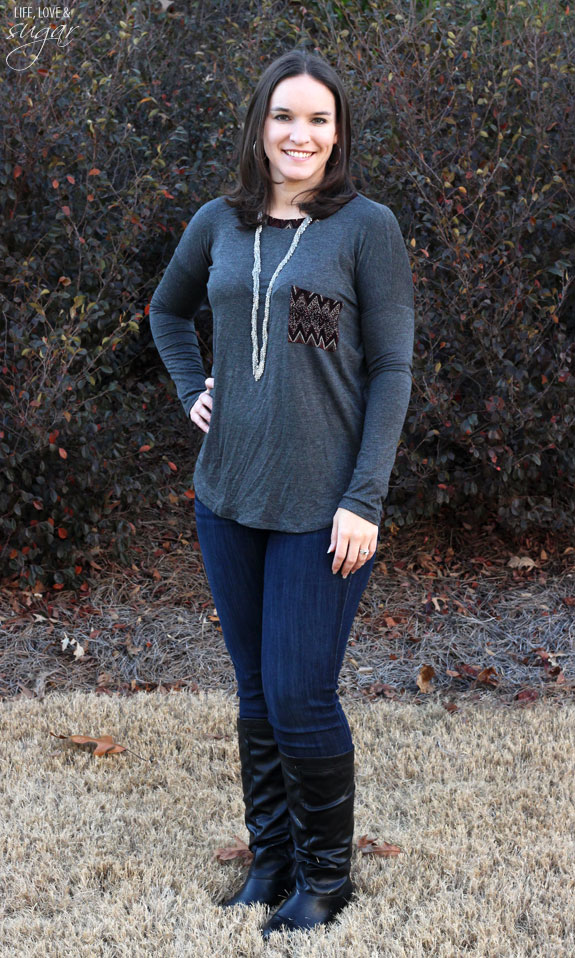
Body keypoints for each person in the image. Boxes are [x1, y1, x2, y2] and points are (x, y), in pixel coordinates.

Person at [149, 47, 415, 939]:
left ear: (338, 134)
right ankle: (270, 859)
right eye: (283, 116)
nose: (299, 134)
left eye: (318, 119)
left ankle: (327, 879)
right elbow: (166, 308)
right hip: (226, 493)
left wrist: (365, 498)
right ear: (258, 125)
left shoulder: (363, 228)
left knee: (300, 692)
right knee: (257, 693)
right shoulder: (219, 223)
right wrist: (193, 386)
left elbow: (389, 369)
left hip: (323, 504)